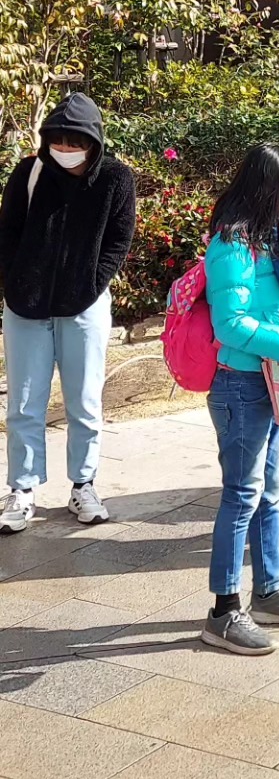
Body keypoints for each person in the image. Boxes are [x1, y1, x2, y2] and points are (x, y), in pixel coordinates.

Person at [202, 143, 279, 656]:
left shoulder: (272, 239)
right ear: (268, 190)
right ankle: (223, 611)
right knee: (242, 495)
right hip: (240, 383)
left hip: (272, 381)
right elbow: (229, 324)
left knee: (270, 492)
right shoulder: (231, 244)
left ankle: (269, 591)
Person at [0, 93, 136, 534]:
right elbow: (7, 234)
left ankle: (84, 484)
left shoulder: (115, 178)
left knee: (85, 401)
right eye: (57, 140)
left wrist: (90, 284)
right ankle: (22, 489)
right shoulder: (29, 173)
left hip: (84, 307)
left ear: (93, 142)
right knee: (23, 403)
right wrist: (15, 282)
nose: (64, 149)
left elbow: (119, 238)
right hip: (26, 306)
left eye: (74, 141)